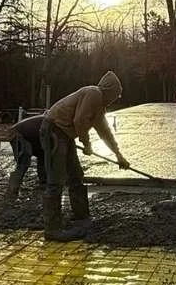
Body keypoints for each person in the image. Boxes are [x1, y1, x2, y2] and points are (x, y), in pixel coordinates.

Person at [41, 72, 130, 241]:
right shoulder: (93, 94)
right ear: (109, 91)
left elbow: (105, 133)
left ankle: (81, 217)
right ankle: (52, 229)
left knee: (76, 176)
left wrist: (119, 155)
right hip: (54, 130)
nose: (115, 100)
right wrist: (86, 143)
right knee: (56, 180)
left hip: (65, 135)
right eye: (115, 96)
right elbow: (80, 120)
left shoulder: (99, 107)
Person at [5, 114, 47, 200]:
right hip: (19, 134)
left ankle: (43, 183)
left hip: (30, 136)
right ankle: (12, 190)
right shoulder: (55, 122)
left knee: (43, 156)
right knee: (24, 162)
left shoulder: (53, 120)